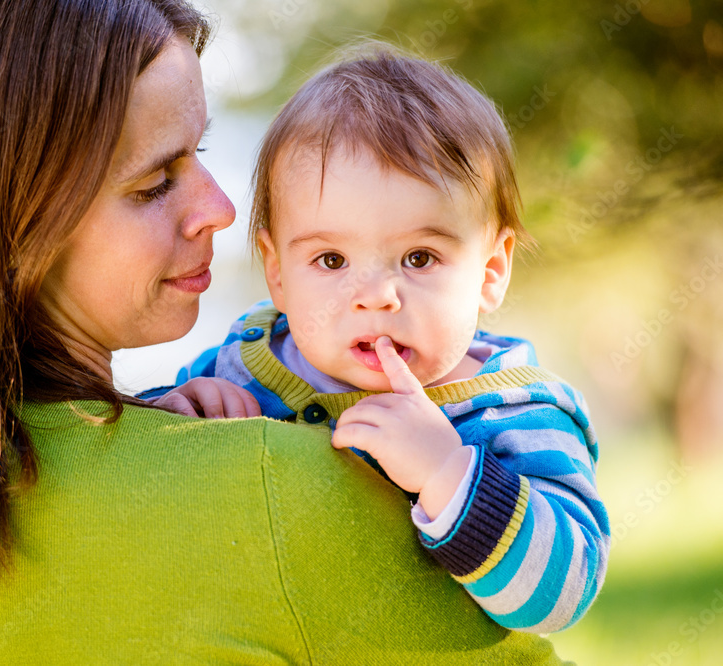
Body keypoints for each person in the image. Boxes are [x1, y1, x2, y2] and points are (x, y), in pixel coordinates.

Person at [0, 1, 567, 662]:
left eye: (203, 152)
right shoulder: (278, 492)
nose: (220, 208)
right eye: (155, 182)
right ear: (2, 224)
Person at [152, 45, 610, 634]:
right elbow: (143, 477)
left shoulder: (515, 415)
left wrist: (449, 474)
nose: (375, 296)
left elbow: (561, 598)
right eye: (331, 259)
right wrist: (176, 409)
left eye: (419, 257)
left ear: (491, 271)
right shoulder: (245, 363)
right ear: (278, 273)